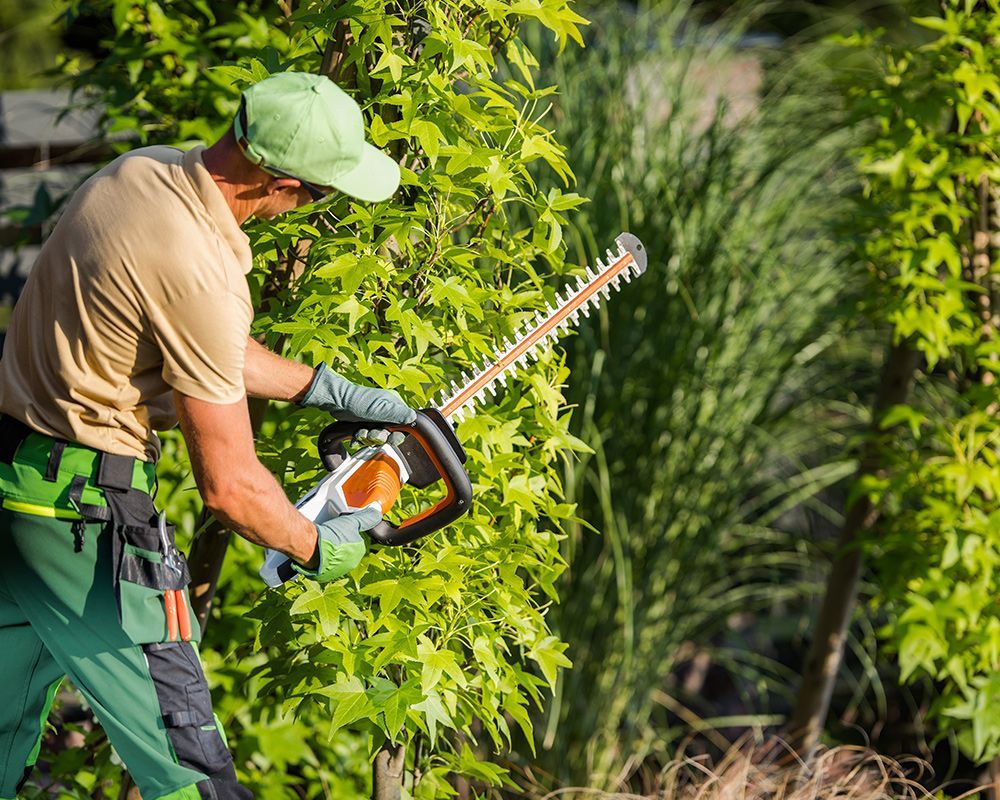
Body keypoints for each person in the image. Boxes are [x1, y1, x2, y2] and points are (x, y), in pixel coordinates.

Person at [0, 71, 414, 800]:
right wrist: (320, 547)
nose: (310, 210)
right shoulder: (198, 264)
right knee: (192, 778)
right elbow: (230, 488)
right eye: (318, 195)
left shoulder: (143, 176)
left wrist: (321, 386)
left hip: (16, 490)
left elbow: (193, 341)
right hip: (83, 526)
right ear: (278, 182)